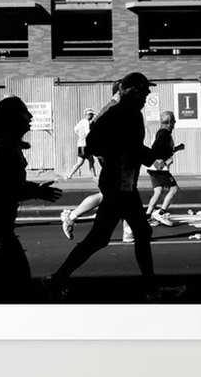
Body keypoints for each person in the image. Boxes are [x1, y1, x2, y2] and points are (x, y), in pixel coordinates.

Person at [48, 72, 159, 298]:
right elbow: (93, 144)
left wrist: (142, 154)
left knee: (131, 233)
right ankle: (150, 289)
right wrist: (142, 154)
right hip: (119, 184)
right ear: (132, 90)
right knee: (108, 237)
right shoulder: (119, 113)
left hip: (123, 182)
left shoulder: (128, 113)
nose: (148, 93)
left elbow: (127, 147)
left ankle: (58, 278)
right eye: (144, 89)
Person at [0, 96, 62, 301]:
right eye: (24, 113)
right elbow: (7, 188)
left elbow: (9, 186)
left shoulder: (7, 146)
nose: (29, 117)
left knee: (11, 284)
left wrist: (35, 189)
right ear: (12, 119)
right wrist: (37, 191)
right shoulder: (4, 149)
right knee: (15, 285)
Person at [60, 82, 120, 240]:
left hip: (111, 160)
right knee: (116, 196)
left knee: (114, 196)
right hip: (109, 160)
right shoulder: (111, 110)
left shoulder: (113, 110)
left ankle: (72, 217)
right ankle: (72, 216)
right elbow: (94, 136)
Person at [141, 111, 185, 227]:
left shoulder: (162, 133)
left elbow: (164, 150)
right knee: (174, 189)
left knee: (158, 191)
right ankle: (161, 213)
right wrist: (163, 161)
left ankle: (148, 216)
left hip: (153, 167)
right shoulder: (164, 133)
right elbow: (156, 148)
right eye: (174, 121)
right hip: (159, 168)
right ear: (169, 122)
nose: (175, 123)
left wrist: (177, 149)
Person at [66, 108, 97, 179]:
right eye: (91, 115)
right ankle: (94, 176)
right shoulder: (86, 122)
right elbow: (88, 133)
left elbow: (75, 129)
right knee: (84, 162)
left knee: (87, 161)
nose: (92, 116)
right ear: (88, 115)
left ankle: (69, 175)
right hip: (85, 145)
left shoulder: (81, 122)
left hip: (81, 144)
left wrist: (80, 136)